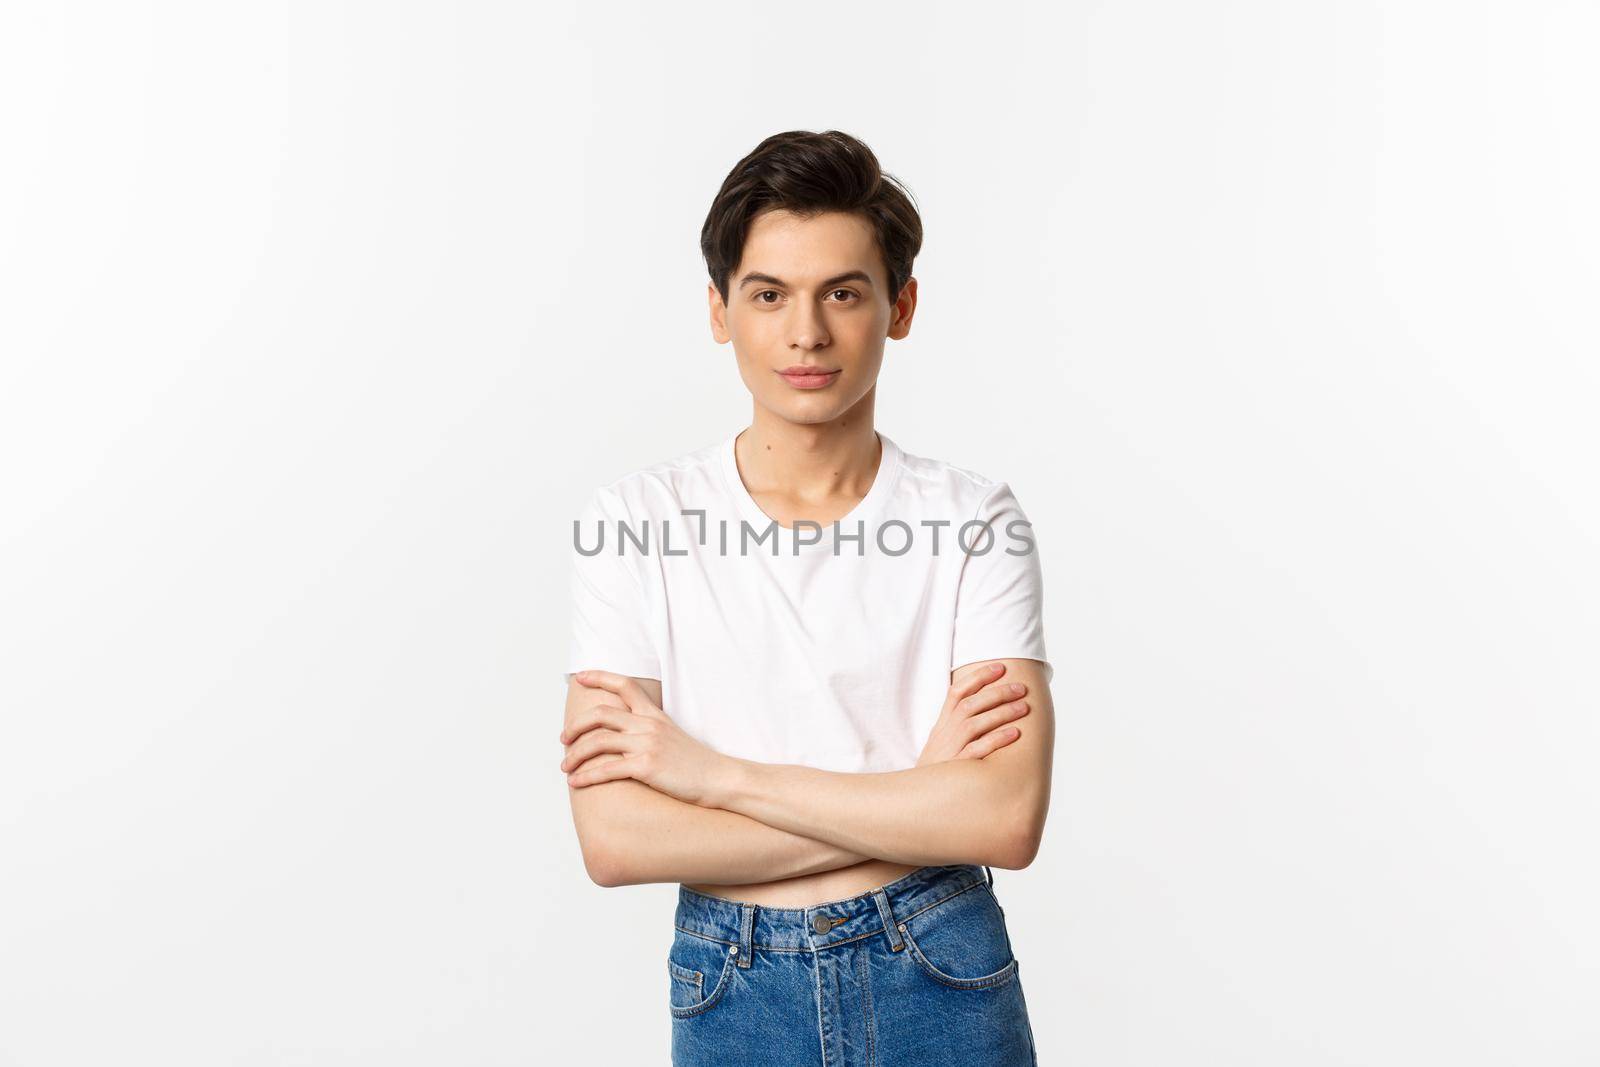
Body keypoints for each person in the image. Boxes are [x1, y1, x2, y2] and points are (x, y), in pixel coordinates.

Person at [558, 129, 1053, 1066]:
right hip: (733, 979)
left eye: (844, 292)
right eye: (769, 294)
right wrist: (912, 805)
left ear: (899, 306)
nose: (807, 332)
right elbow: (616, 838)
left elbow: (1002, 820)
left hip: (939, 964)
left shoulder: (974, 519)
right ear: (719, 310)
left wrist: (713, 778)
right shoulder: (636, 520)